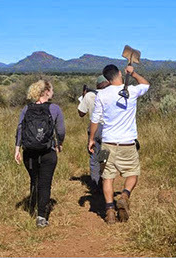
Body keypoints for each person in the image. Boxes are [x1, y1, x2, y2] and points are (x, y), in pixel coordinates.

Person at [88, 64, 150, 224]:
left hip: (106, 143)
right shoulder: (132, 91)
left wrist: (91, 139)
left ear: (107, 79)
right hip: (128, 143)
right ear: (120, 74)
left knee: (107, 177)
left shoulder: (101, 94)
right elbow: (146, 85)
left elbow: (95, 119)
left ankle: (109, 211)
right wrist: (134, 73)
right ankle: (124, 196)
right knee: (133, 172)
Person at [15, 80, 65, 228]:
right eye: (52, 90)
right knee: (45, 183)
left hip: (29, 151)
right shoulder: (55, 109)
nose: (53, 92)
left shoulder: (26, 108)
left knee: (34, 180)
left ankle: (33, 207)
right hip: (48, 152)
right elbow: (61, 130)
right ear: (47, 91)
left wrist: (17, 148)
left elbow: (20, 129)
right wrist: (59, 143)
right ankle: (41, 216)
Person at [77, 75, 110, 193]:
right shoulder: (112, 94)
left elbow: (81, 113)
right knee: (105, 156)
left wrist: (83, 96)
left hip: (94, 128)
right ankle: (106, 182)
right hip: (109, 128)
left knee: (94, 156)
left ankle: (96, 185)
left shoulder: (90, 95)